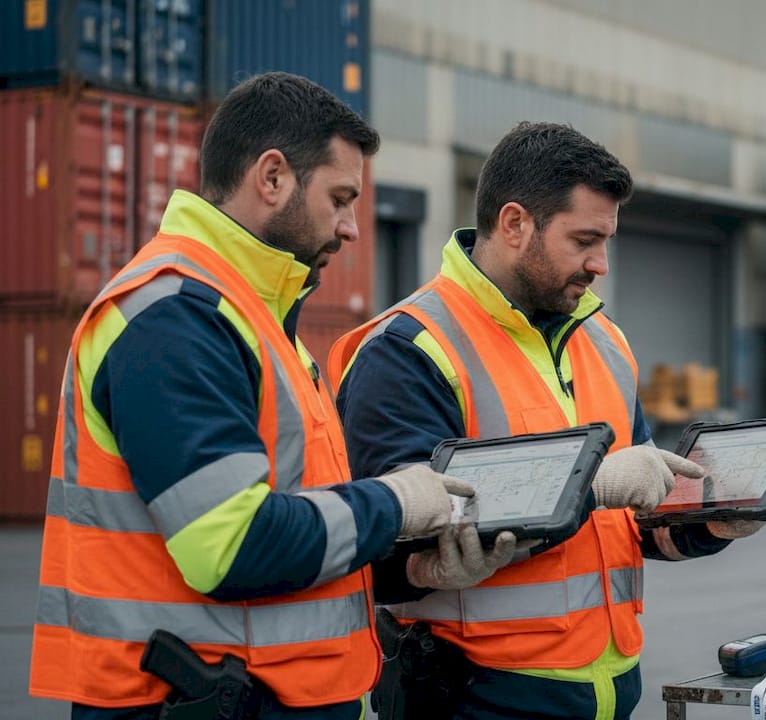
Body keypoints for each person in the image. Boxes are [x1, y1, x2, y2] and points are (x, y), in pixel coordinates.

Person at [27, 72, 513, 720]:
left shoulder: (254, 319)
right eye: (340, 199)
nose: (351, 230)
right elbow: (228, 547)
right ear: (273, 177)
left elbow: (307, 529)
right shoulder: (171, 317)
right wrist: (394, 503)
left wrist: (408, 574)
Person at [331, 121, 766, 720]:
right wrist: (590, 486)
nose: (601, 264)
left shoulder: (604, 341)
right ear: (516, 223)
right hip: (474, 699)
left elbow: (634, 524)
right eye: (584, 240)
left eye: (607, 241)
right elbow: (389, 541)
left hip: (608, 693)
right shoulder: (409, 349)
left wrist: (715, 522)